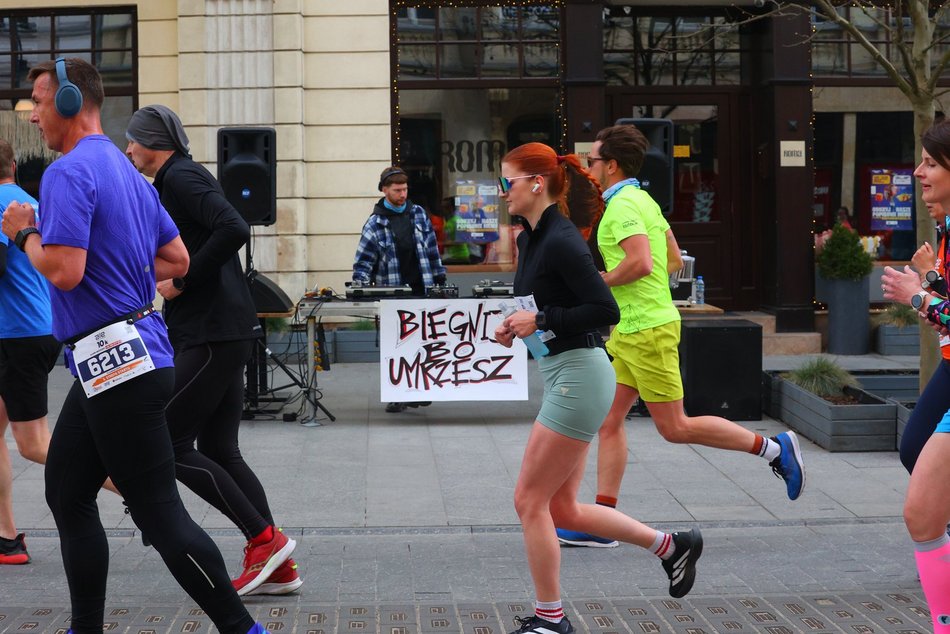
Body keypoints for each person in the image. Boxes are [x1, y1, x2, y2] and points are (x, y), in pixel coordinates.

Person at [1, 57, 270, 634]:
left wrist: (23, 231)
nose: (36, 115)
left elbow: (65, 271)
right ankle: (86, 627)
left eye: (41, 103)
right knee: (67, 490)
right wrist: (119, 268)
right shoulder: (129, 174)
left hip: (116, 362)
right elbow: (177, 260)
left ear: (72, 103)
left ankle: (244, 628)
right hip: (118, 359)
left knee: (160, 514)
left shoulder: (67, 173)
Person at [556, 124, 805, 549]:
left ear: (611, 165)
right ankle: (604, 523)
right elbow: (673, 258)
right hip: (633, 327)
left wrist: (601, 282)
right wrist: (641, 296)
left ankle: (775, 449)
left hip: (647, 330)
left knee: (674, 427)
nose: (588, 167)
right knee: (608, 420)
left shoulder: (622, 207)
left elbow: (642, 262)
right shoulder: (642, 199)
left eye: (593, 161)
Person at [494, 142, 703, 634]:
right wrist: (516, 324)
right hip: (563, 372)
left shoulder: (563, 239)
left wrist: (541, 318)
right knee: (560, 506)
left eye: (507, 182)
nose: (503, 192)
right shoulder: (529, 239)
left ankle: (551, 620)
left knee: (529, 502)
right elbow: (543, 304)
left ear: (535, 183)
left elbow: (604, 311)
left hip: (581, 377)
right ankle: (672, 546)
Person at [125, 105, 299, 596]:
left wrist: (183, 278)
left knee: (169, 442)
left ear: (154, 141)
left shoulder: (181, 176)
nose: (129, 149)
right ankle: (278, 564)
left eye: (133, 141)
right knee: (220, 449)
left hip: (211, 329)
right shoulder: (176, 178)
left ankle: (265, 541)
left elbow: (234, 227)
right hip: (219, 326)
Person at [882, 119, 950, 631]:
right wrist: (928, 284)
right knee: (916, 470)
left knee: (923, 509)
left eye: (930, 163)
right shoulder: (946, 230)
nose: (919, 173)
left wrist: (919, 294)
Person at [0, 138, 62, 565]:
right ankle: (6, 538)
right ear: (15, 165)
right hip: (37, 329)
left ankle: (137, 488)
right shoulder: (30, 200)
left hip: (15, 336)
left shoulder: (7, 209)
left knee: (33, 445)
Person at [353, 166, 446, 413]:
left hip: (421, 287)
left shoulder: (418, 214)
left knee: (423, 342)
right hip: (391, 292)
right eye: (397, 190)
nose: (402, 194)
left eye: (404, 189)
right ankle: (397, 394)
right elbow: (364, 259)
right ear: (384, 190)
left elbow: (431, 249)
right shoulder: (375, 223)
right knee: (395, 345)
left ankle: (420, 390)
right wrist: (359, 285)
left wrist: (440, 278)